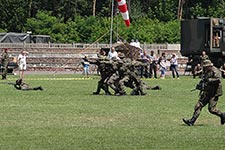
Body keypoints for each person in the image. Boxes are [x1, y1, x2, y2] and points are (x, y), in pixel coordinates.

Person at [183, 60, 225, 126]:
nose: (204, 68)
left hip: (214, 93)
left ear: (209, 66)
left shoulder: (216, 71)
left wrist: (209, 80)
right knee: (198, 106)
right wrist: (195, 73)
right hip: (206, 91)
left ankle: (222, 115)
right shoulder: (206, 70)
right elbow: (201, 73)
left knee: (211, 109)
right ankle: (192, 121)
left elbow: (218, 80)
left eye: (206, 67)